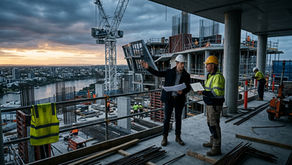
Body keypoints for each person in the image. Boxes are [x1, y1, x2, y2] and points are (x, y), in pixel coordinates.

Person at [141, 54, 191, 146]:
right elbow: (158, 73)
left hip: (179, 100)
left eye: (184, 64)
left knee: (178, 119)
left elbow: (188, 87)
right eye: (181, 63)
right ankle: (165, 137)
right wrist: (148, 68)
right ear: (176, 63)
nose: (183, 65)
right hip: (169, 99)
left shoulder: (186, 75)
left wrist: (183, 91)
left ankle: (178, 137)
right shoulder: (169, 72)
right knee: (166, 119)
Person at [199, 55, 225, 156]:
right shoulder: (211, 76)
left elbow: (216, 94)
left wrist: (204, 92)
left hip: (214, 105)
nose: (206, 66)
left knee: (214, 126)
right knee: (210, 124)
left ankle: (216, 148)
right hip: (210, 105)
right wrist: (204, 92)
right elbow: (209, 90)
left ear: (213, 65)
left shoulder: (218, 77)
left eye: (207, 64)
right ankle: (212, 141)